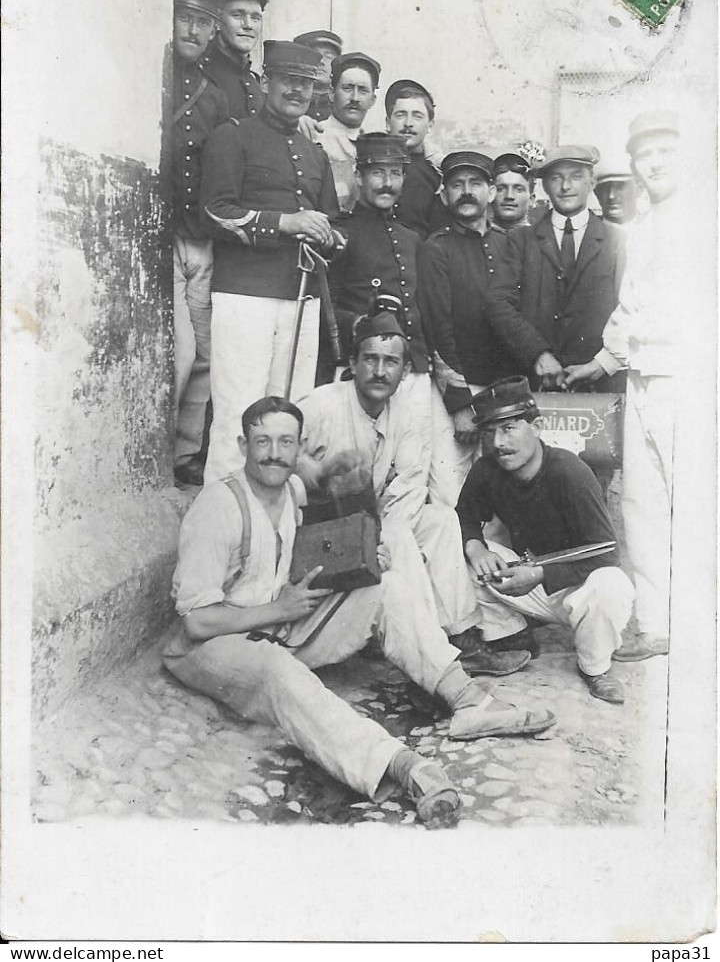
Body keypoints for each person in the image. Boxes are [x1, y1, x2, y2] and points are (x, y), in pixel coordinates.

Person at [162, 395, 556, 827]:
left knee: (384, 582)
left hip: (279, 624)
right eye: (263, 442)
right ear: (243, 446)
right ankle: (400, 766)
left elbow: (324, 539)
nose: (274, 453)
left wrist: (368, 558)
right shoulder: (218, 506)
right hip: (216, 642)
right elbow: (197, 621)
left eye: (286, 442)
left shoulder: (291, 488)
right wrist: (280, 608)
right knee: (278, 672)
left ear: (298, 448)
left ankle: (469, 700)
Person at [298, 309, 533, 677]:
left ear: (404, 371)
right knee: (399, 543)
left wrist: (382, 537)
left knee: (437, 520)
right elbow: (275, 460)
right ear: (354, 364)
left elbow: (407, 491)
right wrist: (313, 476)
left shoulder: (406, 413)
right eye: (370, 359)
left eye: (390, 362)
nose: (380, 371)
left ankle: (461, 636)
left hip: (371, 523)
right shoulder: (321, 405)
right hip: (315, 533)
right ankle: (430, 653)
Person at [563, 111, 684, 660]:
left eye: (666, 151)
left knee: (698, 503)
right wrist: (600, 362)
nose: (655, 163)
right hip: (642, 378)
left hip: (694, 380)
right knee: (642, 503)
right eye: (645, 155)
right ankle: (657, 624)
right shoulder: (643, 228)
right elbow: (629, 309)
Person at [200, 40, 342, 483]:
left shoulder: (315, 154)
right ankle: (222, 516)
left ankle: (281, 521)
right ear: (266, 82)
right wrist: (285, 222)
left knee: (290, 416)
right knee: (238, 414)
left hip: (300, 298)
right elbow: (214, 212)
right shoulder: (233, 136)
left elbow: (331, 226)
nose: (297, 91)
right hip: (245, 295)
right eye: (288, 81)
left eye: (306, 84)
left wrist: (329, 238)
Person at [456, 377, 634, 704]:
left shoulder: (569, 471)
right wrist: (476, 546)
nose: (498, 442)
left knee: (611, 585)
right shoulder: (487, 469)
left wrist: (540, 574)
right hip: (528, 579)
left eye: (509, 428)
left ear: (536, 426)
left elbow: (606, 551)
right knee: (457, 553)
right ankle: (510, 633)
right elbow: (462, 517)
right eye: (489, 432)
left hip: (574, 587)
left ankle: (596, 667)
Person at [329, 132, 464, 507]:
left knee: (413, 470)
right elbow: (327, 304)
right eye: (377, 173)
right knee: (364, 473)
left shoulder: (411, 238)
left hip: (415, 371)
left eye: (396, 174)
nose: (387, 183)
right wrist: (356, 325)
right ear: (358, 177)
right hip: (366, 370)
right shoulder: (341, 232)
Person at [484, 145, 626, 393]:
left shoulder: (616, 241)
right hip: (536, 383)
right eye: (556, 178)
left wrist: (600, 364)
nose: (566, 187)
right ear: (544, 186)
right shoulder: (521, 240)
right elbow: (498, 304)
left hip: (599, 385)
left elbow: (629, 309)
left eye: (576, 177)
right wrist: (538, 353)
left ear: (591, 182)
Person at [417, 150, 520, 481]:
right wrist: (461, 405)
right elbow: (438, 328)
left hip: (505, 388)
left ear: (490, 192)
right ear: (445, 195)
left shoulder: (510, 243)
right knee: (451, 490)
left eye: (475, 183)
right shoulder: (436, 249)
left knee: (507, 488)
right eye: (457, 184)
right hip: (459, 389)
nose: (466, 191)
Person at [164, 0, 230, 486]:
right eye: (185, 17)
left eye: (203, 22)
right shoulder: (157, 75)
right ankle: (159, 447)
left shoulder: (216, 95)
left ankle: (185, 453)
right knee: (181, 352)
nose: (193, 29)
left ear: (213, 32)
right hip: (164, 238)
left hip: (203, 239)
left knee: (206, 356)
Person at [308, 51, 381, 215]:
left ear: (372, 100)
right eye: (347, 88)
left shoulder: (377, 144)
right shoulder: (314, 136)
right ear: (332, 94)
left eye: (362, 90)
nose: (354, 98)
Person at [385, 79, 445, 239]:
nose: (408, 123)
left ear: (430, 125)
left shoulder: (436, 173)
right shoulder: (370, 165)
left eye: (417, 116)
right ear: (387, 122)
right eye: (400, 115)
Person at [205, 0, 266, 120]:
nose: (248, 25)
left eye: (255, 18)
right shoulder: (204, 77)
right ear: (217, 21)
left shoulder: (254, 82)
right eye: (238, 15)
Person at [293, 30, 343, 121]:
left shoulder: (344, 110)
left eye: (329, 57)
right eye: (314, 54)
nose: (321, 62)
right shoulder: (284, 106)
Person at [491, 152, 535, 230]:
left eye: (519, 189)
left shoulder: (544, 240)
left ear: (531, 199)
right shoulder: (474, 239)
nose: (509, 196)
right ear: (490, 195)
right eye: (501, 189)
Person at [593, 156, 638, 226]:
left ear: (638, 189)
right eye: (605, 188)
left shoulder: (654, 226)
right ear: (596, 193)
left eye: (620, 186)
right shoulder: (584, 233)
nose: (611, 195)